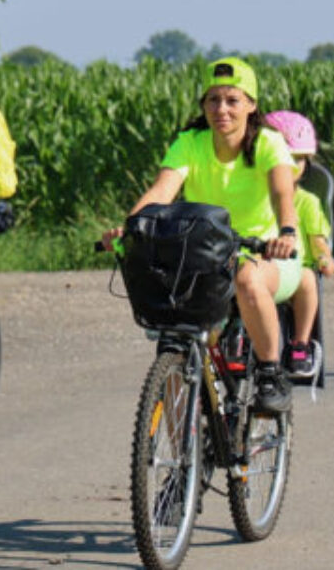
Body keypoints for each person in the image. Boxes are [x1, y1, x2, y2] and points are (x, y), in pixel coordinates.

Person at [103, 57, 301, 412]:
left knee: (247, 279)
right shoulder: (190, 143)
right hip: (204, 257)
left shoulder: (269, 143)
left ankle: (271, 372)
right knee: (175, 337)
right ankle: (179, 460)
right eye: (212, 100)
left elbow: (281, 192)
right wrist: (132, 228)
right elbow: (161, 191)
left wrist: (286, 231)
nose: (221, 109)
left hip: (267, 255)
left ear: (251, 105)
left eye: (232, 100)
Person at [265, 110, 334, 376]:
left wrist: (324, 257)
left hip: (295, 269)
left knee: (308, 280)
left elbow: (317, 240)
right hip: (259, 265)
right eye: (286, 159)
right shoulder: (255, 197)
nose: (293, 167)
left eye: (300, 160)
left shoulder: (307, 202)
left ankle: (300, 343)